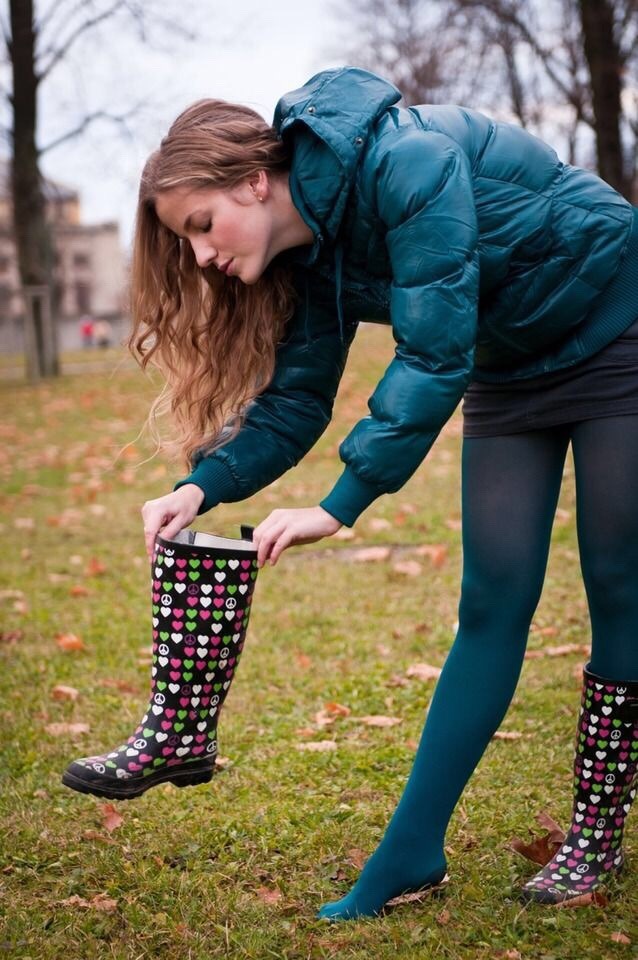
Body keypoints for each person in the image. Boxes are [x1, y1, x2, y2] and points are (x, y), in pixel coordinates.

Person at [83, 66, 638, 918]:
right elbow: (299, 398)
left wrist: (339, 503)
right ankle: (411, 852)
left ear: (255, 180)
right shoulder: (311, 249)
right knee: (491, 600)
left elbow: (430, 351)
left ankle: (594, 837)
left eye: (201, 224)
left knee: (618, 582)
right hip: (510, 361)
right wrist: (201, 488)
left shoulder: (406, 163)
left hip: (617, 322)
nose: (200, 253)